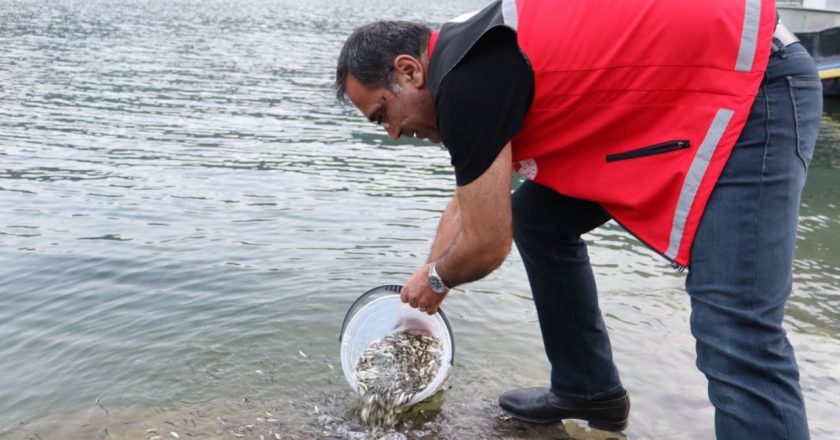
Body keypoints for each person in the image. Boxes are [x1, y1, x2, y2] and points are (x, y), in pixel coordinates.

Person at [334, 0, 821, 438]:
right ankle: (588, 390)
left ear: (409, 70)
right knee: (538, 218)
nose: (393, 134)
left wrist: (437, 279)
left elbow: (486, 243)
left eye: (383, 114)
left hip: (752, 86)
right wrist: (420, 300)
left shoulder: (466, 81)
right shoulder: (465, 57)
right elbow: (469, 202)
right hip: (672, 98)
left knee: (734, 327)